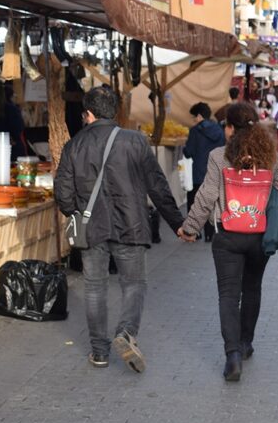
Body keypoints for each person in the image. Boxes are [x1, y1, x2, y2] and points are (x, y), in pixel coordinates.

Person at [55, 86, 184, 372]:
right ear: (114, 112)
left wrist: (77, 212)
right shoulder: (135, 141)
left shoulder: (74, 145)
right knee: (134, 283)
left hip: (92, 228)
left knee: (94, 287)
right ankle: (126, 332)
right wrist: (178, 223)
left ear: (87, 114)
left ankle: (99, 352)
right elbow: (157, 185)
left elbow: (62, 194)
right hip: (131, 224)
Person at [177, 103, 278, 381]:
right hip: (260, 236)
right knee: (252, 288)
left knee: (229, 295)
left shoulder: (218, 156)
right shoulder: (270, 156)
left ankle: (232, 356)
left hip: (227, 236)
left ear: (230, 128)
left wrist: (190, 227)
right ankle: (246, 343)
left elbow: (207, 196)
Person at [183, 102, 225, 242]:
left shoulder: (195, 131)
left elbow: (189, 152)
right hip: (215, 172)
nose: (194, 120)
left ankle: (194, 231)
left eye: (194, 117)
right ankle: (209, 233)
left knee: (194, 201)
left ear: (200, 116)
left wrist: (184, 149)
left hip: (198, 173)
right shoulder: (219, 129)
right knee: (212, 202)